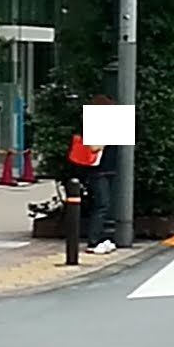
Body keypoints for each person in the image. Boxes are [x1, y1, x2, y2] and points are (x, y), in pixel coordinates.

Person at [66, 96, 115, 254]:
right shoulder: (93, 124)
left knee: (103, 204)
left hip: (104, 169)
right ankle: (93, 241)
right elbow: (94, 146)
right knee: (101, 204)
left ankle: (100, 238)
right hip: (97, 170)